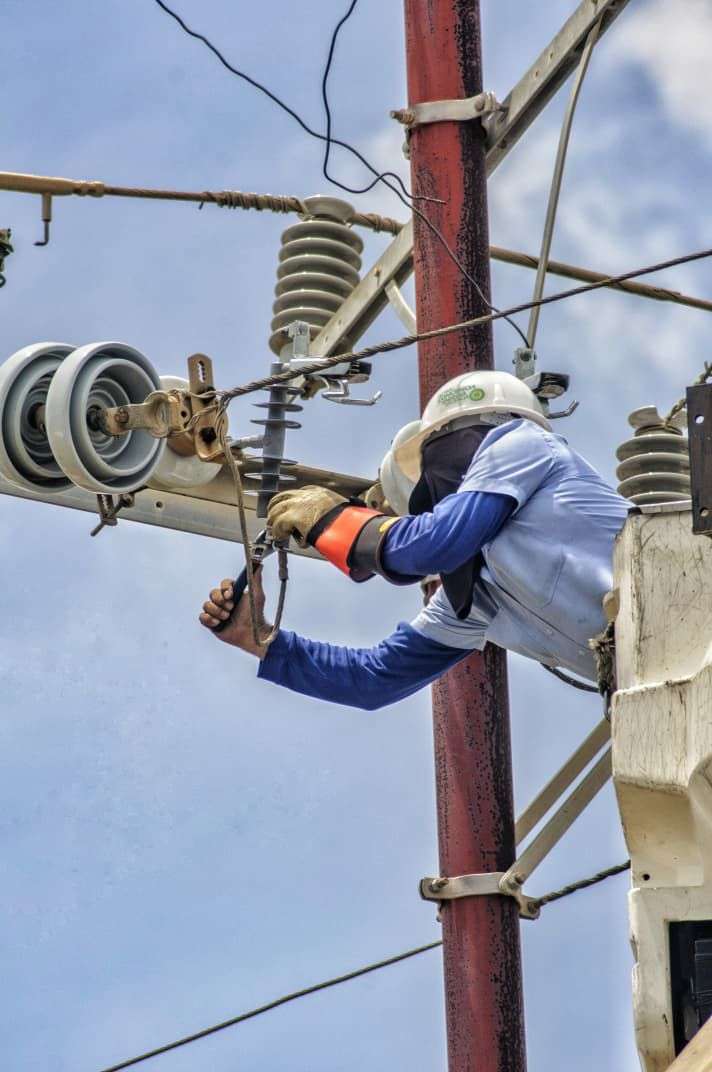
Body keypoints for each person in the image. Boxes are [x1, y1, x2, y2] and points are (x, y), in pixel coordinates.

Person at [199, 370, 629, 710]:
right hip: (658, 684)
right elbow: (372, 679)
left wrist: (332, 521)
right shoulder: (472, 599)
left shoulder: (523, 443)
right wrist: (258, 637)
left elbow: (434, 545)